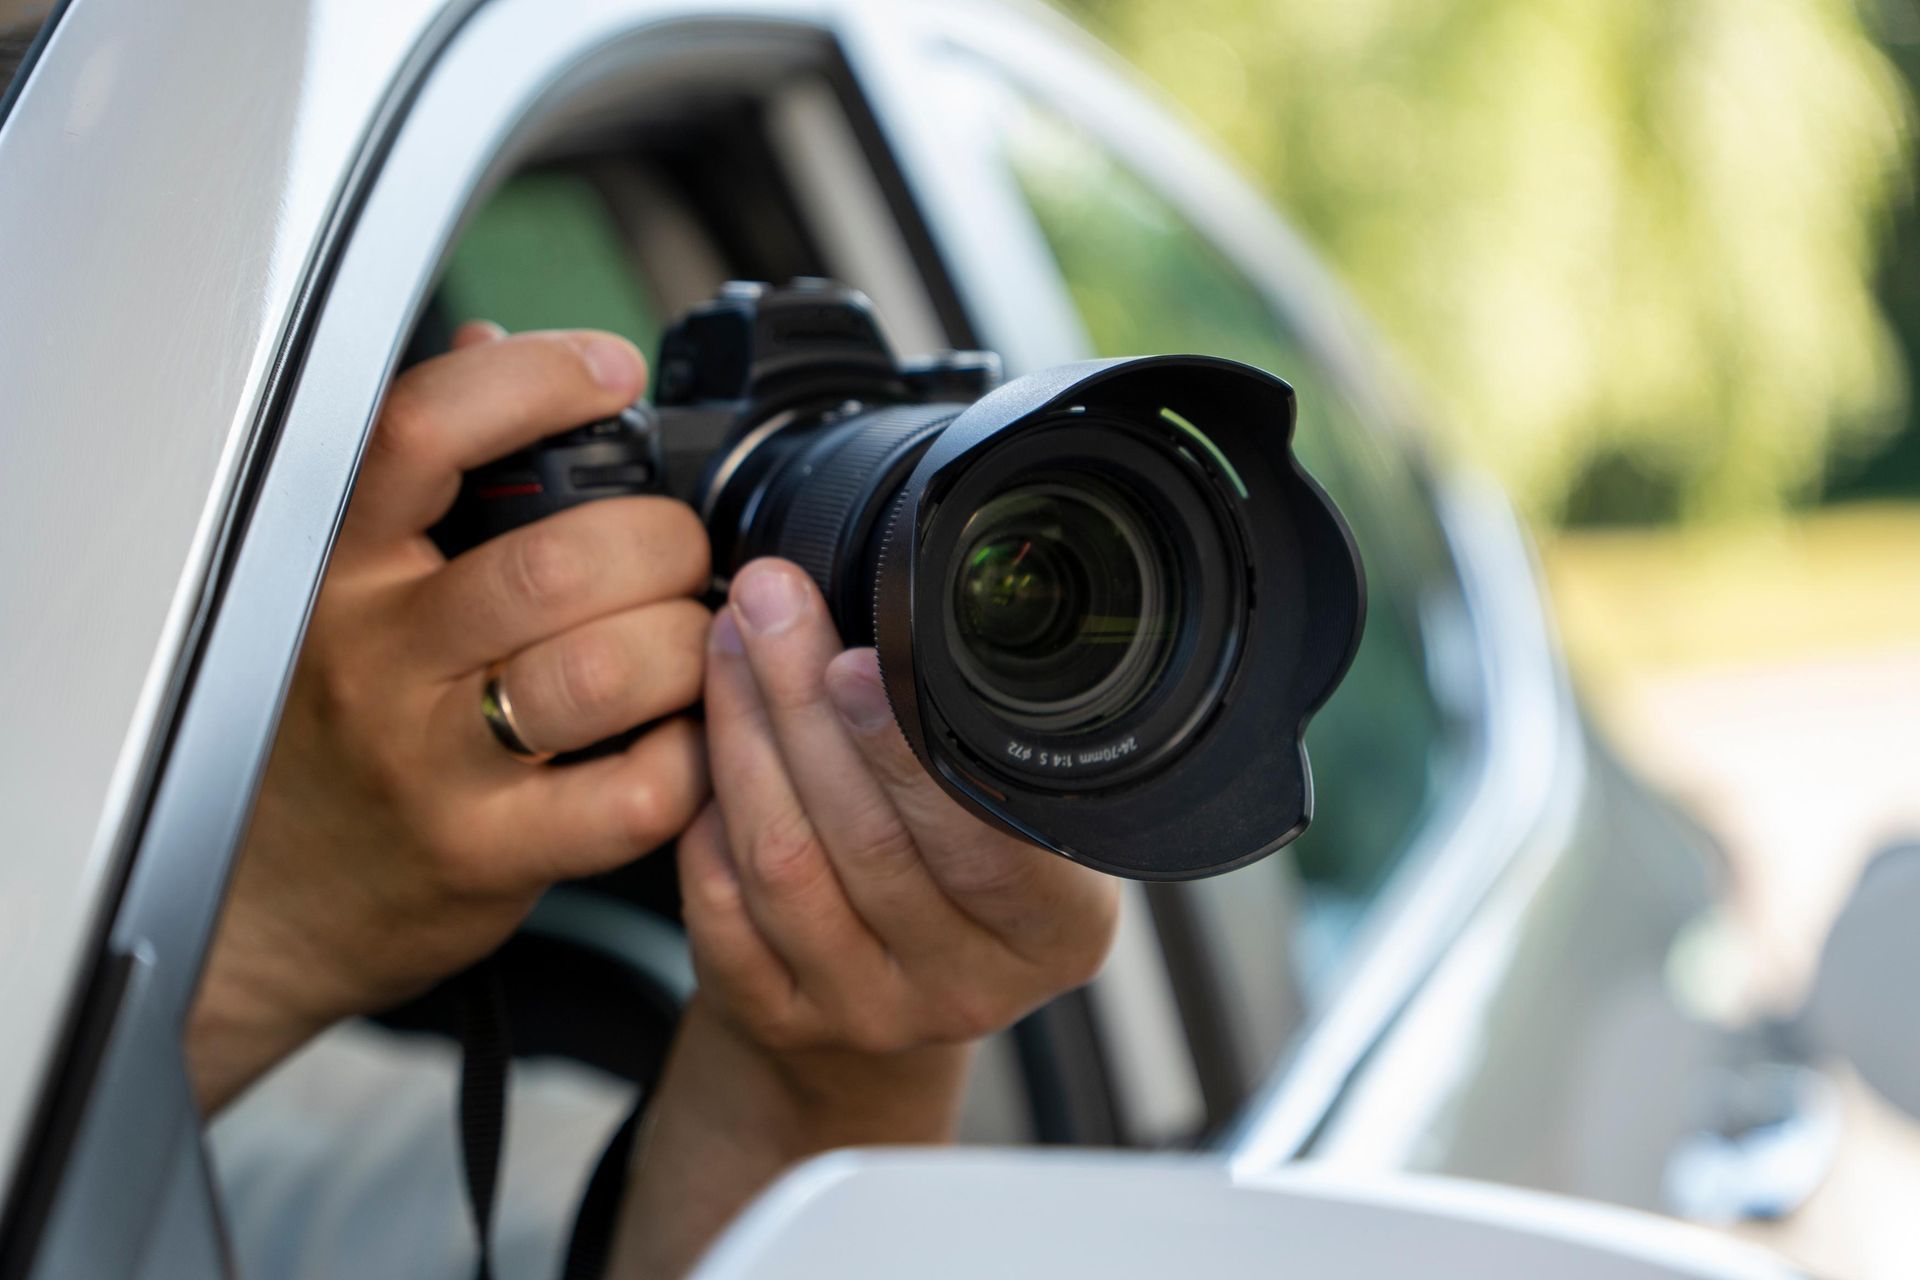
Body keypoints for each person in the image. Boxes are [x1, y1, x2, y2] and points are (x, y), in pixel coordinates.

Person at [185, 323, 1121, 1277]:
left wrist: (841, 1066)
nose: (1000, 588)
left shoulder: (395, 1154)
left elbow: (609, 1243)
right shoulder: (289, 1146)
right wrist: (262, 944)